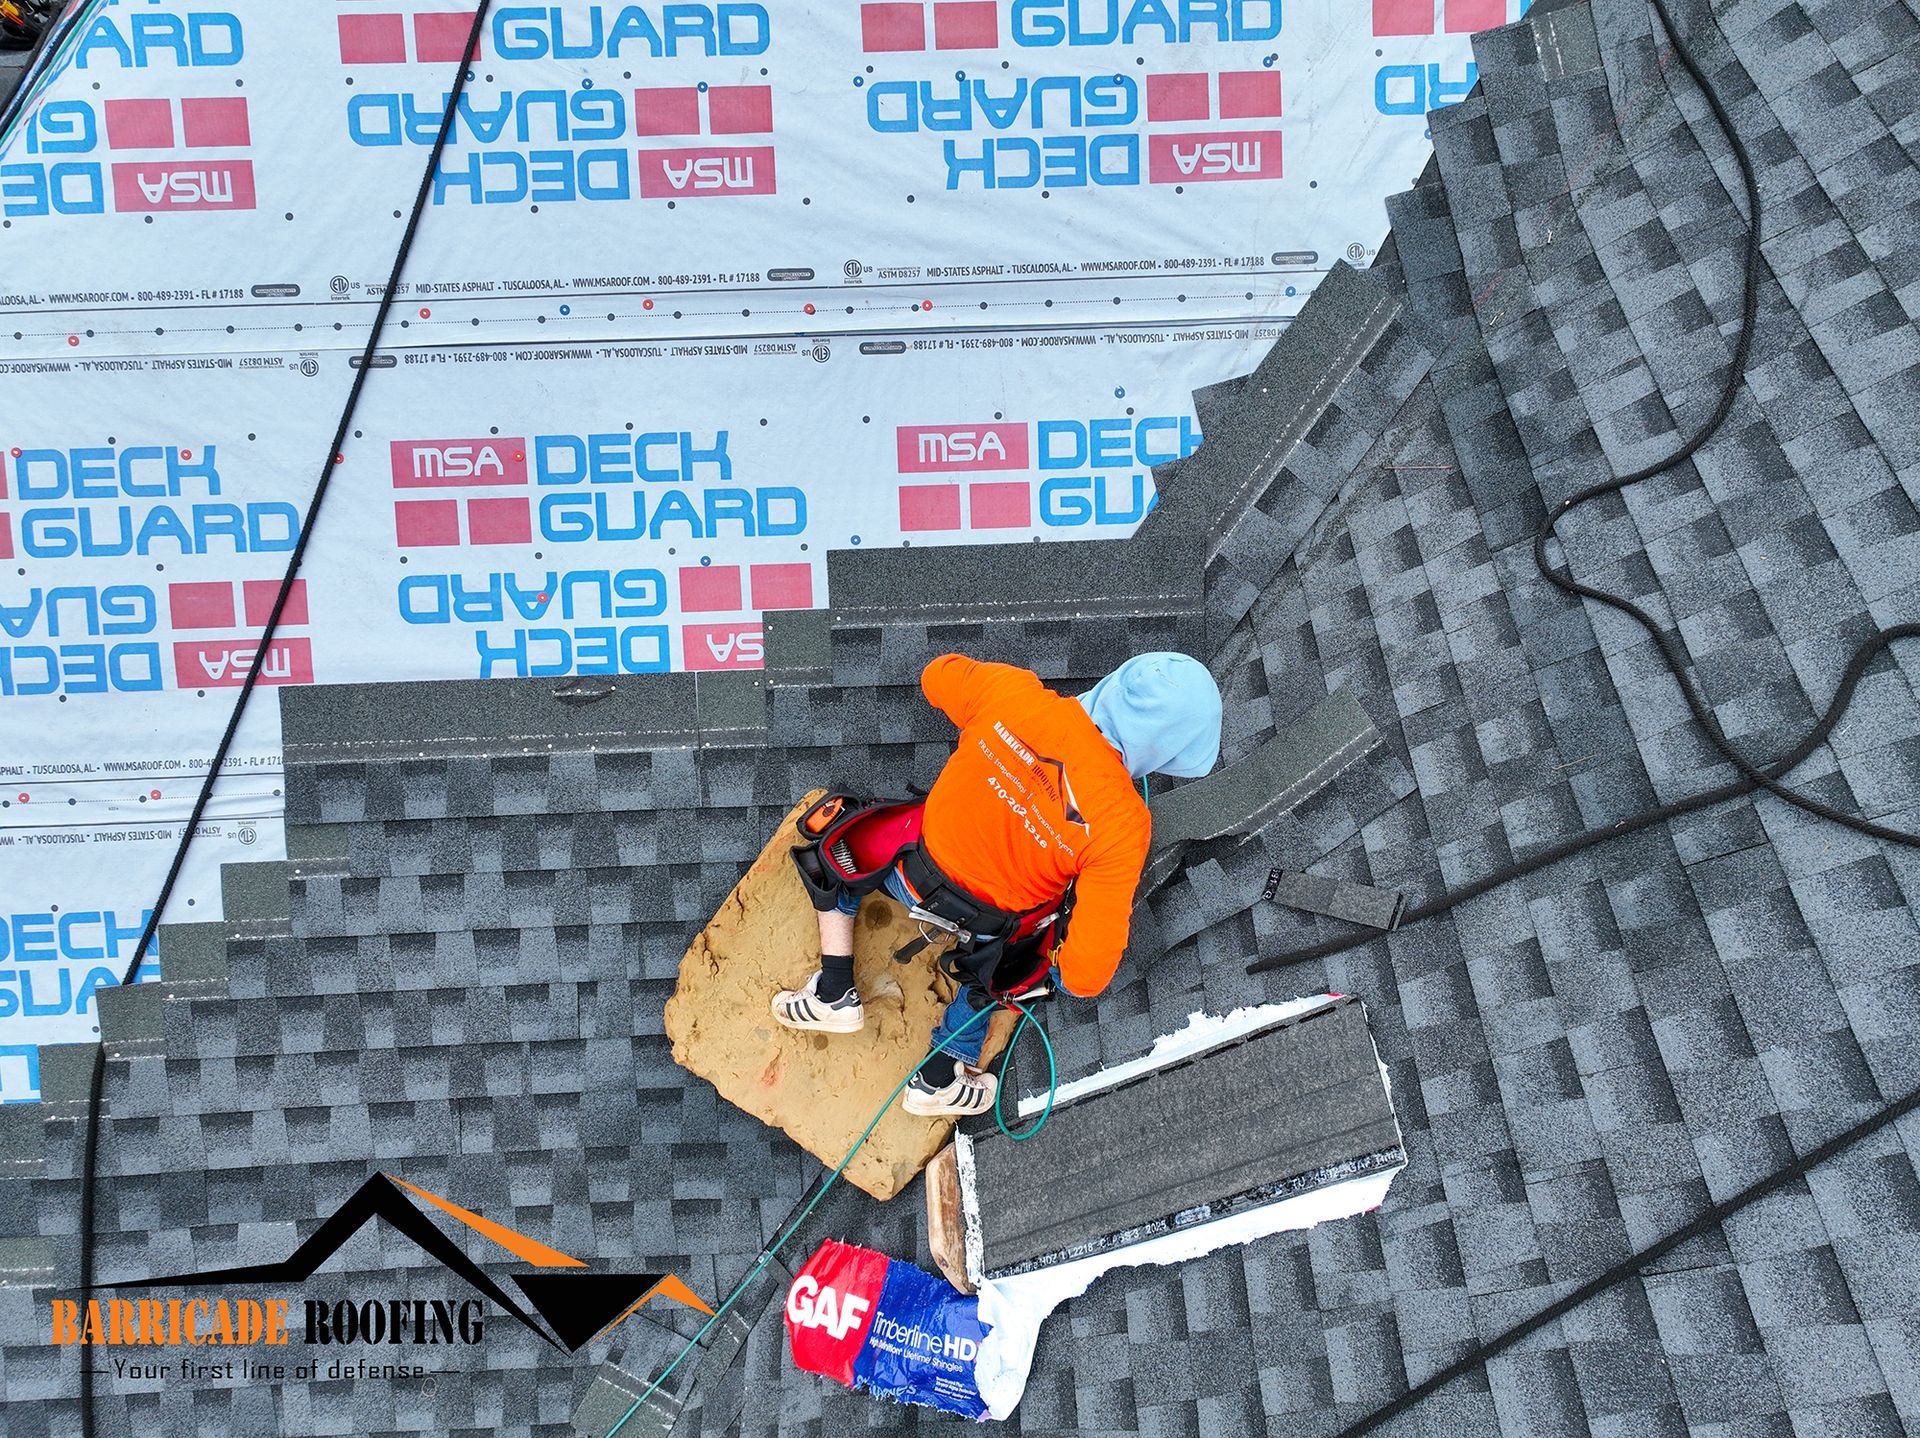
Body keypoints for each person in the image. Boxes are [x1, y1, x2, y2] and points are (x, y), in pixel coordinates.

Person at [772, 651, 1223, 1118]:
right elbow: (1085, 978)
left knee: (834, 844)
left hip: (906, 871)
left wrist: (1007, 740)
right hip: (987, 937)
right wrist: (1054, 967)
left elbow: (936, 676)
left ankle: (834, 989)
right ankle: (939, 1078)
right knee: (1011, 976)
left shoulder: (1014, 695)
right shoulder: (1123, 824)